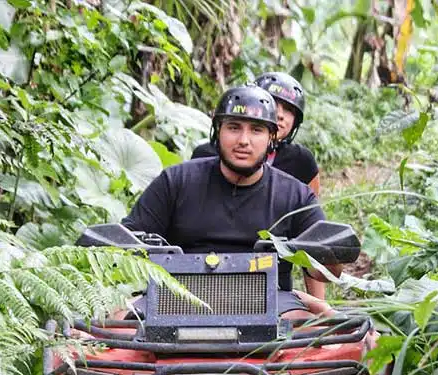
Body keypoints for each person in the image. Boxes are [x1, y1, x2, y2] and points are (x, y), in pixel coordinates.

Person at [122, 85, 339, 319]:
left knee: (315, 331)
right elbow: (121, 246)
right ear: (218, 130)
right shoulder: (175, 181)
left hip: (271, 300)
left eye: (256, 130)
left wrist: (333, 253)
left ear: (271, 138)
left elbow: (327, 269)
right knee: (112, 323)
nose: (244, 140)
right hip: (174, 297)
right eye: (234, 128)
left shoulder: (296, 195)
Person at [191, 72, 326, 300]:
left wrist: (320, 305)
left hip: (270, 280)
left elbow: (310, 237)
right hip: (204, 275)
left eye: (289, 109)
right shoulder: (203, 159)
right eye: (275, 104)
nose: (281, 114)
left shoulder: (301, 163)